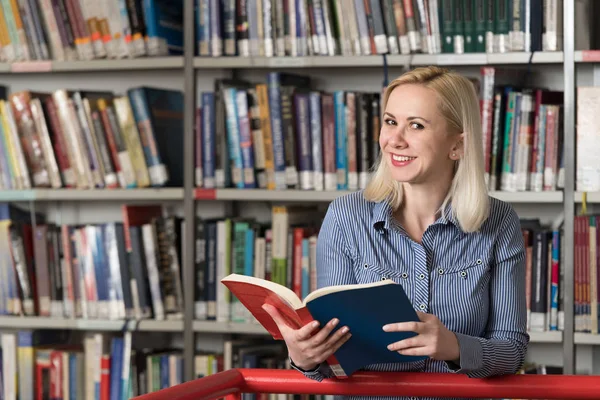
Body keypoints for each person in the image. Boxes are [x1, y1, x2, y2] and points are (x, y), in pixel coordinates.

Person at [262, 66, 529, 400]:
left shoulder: (499, 221)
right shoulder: (346, 217)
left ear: (457, 145)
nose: (394, 139)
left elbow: (513, 351)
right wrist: (305, 357)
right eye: (390, 122)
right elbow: (333, 361)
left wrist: (454, 346)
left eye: (415, 125)